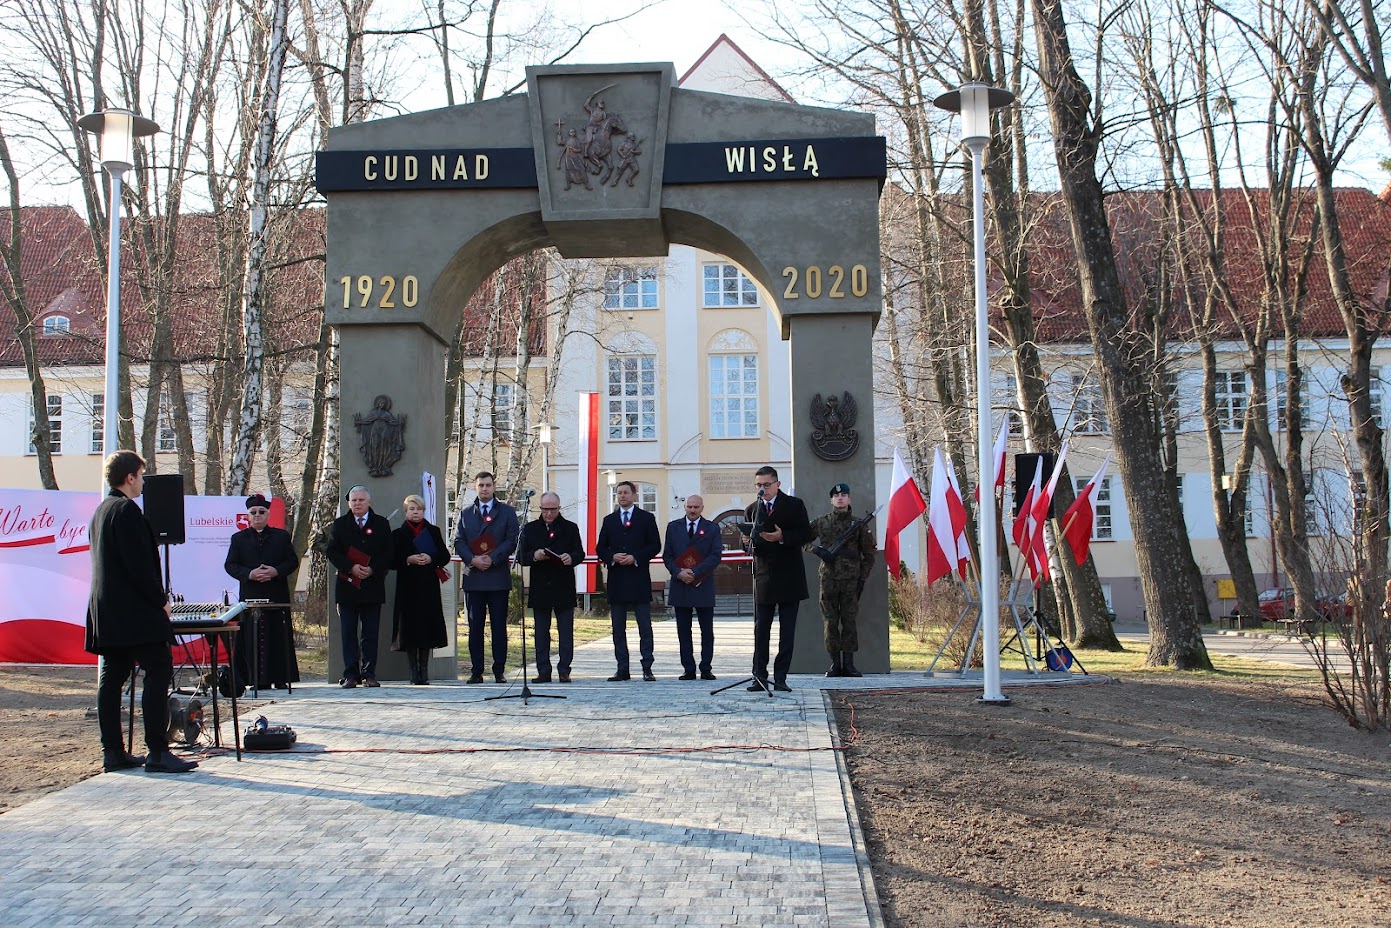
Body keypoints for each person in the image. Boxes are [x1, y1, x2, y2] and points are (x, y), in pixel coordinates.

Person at [85, 450, 198, 773]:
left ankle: (113, 752)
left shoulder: (101, 511)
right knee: (158, 669)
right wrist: (160, 600)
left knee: (112, 678)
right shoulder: (127, 512)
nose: (143, 484)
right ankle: (158, 751)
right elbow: (139, 567)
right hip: (134, 611)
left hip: (106, 610)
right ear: (129, 477)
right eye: (140, 476)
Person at [742, 465, 813, 693]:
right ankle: (759, 676)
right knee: (760, 630)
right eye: (759, 486)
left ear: (777, 484)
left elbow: (806, 533)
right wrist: (745, 543)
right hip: (763, 577)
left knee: (787, 631)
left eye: (767, 485)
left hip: (789, 576)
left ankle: (781, 676)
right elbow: (747, 544)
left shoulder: (794, 505)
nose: (763, 489)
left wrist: (783, 536)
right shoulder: (752, 509)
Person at [223, 493, 301, 691]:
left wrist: (275, 571)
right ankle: (255, 678)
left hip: (276, 594)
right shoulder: (238, 538)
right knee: (251, 637)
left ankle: (281, 677)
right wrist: (250, 573)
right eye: (253, 512)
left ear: (268, 514)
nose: (257, 515)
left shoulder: (281, 536)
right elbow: (230, 565)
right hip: (251, 596)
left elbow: (292, 561)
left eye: (261, 512)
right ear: (248, 516)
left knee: (278, 636)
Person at [453, 471, 519, 684]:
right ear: (475, 487)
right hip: (474, 577)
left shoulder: (507, 512)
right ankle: (476, 670)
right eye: (480, 485)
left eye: (488, 485)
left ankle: (499, 670)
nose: (484, 489)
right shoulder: (465, 514)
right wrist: (473, 559)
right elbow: (459, 541)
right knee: (475, 627)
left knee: (499, 626)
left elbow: (512, 539)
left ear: (493, 487)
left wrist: (492, 558)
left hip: (497, 576)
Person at [325, 485, 393, 687]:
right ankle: (350, 675)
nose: (357, 504)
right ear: (349, 503)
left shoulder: (381, 524)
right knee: (348, 634)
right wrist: (350, 567)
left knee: (370, 634)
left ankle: (369, 674)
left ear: (368, 501)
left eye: (361, 500)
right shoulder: (339, 524)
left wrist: (372, 569)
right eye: (354, 500)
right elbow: (332, 552)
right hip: (347, 587)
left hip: (372, 587)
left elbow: (388, 552)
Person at [808, 483, 876, 677]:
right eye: (836, 495)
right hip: (828, 579)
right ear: (831, 500)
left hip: (851, 581)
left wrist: (862, 578)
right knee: (830, 622)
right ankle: (834, 664)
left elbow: (869, 554)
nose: (840, 498)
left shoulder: (859, 525)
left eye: (844, 494)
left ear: (849, 499)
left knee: (849, 621)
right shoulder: (821, 522)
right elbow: (802, 540)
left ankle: (849, 664)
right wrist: (817, 550)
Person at [518, 492, 586, 683]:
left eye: (552, 509)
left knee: (565, 631)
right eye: (545, 509)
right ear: (540, 508)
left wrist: (571, 558)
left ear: (559, 508)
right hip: (541, 586)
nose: (548, 513)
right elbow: (521, 556)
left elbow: (579, 552)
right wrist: (534, 555)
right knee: (541, 632)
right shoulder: (530, 529)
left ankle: (564, 669)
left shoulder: (570, 528)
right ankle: (543, 670)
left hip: (563, 585)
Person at [596, 480, 661, 681]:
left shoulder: (646, 518)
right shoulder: (609, 520)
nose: (622, 496)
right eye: (619, 493)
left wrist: (636, 557)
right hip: (617, 580)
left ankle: (647, 667)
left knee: (644, 626)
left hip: (638, 577)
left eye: (625, 492)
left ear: (634, 495)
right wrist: (612, 557)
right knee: (618, 628)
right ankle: (622, 668)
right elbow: (600, 548)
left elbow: (655, 545)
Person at [389, 495, 451, 685]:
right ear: (406, 512)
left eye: (419, 509)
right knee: (410, 629)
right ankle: (413, 672)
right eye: (412, 509)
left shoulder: (433, 531)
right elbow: (391, 560)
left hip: (428, 587)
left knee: (426, 628)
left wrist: (431, 559)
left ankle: (424, 671)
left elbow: (444, 555)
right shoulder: (398, 534)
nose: (416, 512)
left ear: (424, 511)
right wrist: (409, 559)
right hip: (407, 587)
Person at [662, 494, 722, 680]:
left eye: (696, 507)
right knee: (683, 631)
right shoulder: (673, 528)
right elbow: (667, 556)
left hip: (703, 584)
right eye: (689, 506)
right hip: (681, 584)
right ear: (685, 507)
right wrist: (678, 572)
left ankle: (706, 668)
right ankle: (688, 668)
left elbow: (715, 555)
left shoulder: (712, 528)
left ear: (702, 508)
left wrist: (695, 572)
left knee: (707, 631)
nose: (692, 510)